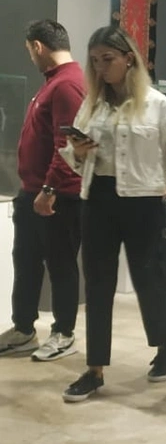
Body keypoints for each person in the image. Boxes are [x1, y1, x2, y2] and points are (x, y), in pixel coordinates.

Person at [59, 26, 166, 402]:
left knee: (150, 281)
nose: (101, 67)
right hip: (97, 201)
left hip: (144, 203)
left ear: (128, 59)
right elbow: (74, 158)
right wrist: (78, 152)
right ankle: (94, 369)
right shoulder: (92, 105)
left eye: (108, 59)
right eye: (95, 61)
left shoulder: (157, 104)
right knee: (97, 285)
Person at [0, 20, 85, 362]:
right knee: (26, 262)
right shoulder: (53, 82)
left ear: (38, 46)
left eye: (30, 51)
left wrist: (49, 189)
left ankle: (64, 333)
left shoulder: (67, 85)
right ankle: (24, 329)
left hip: (56, 196)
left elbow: (70, 144)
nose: (31, 57)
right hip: (33, 191)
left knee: (61, 264)